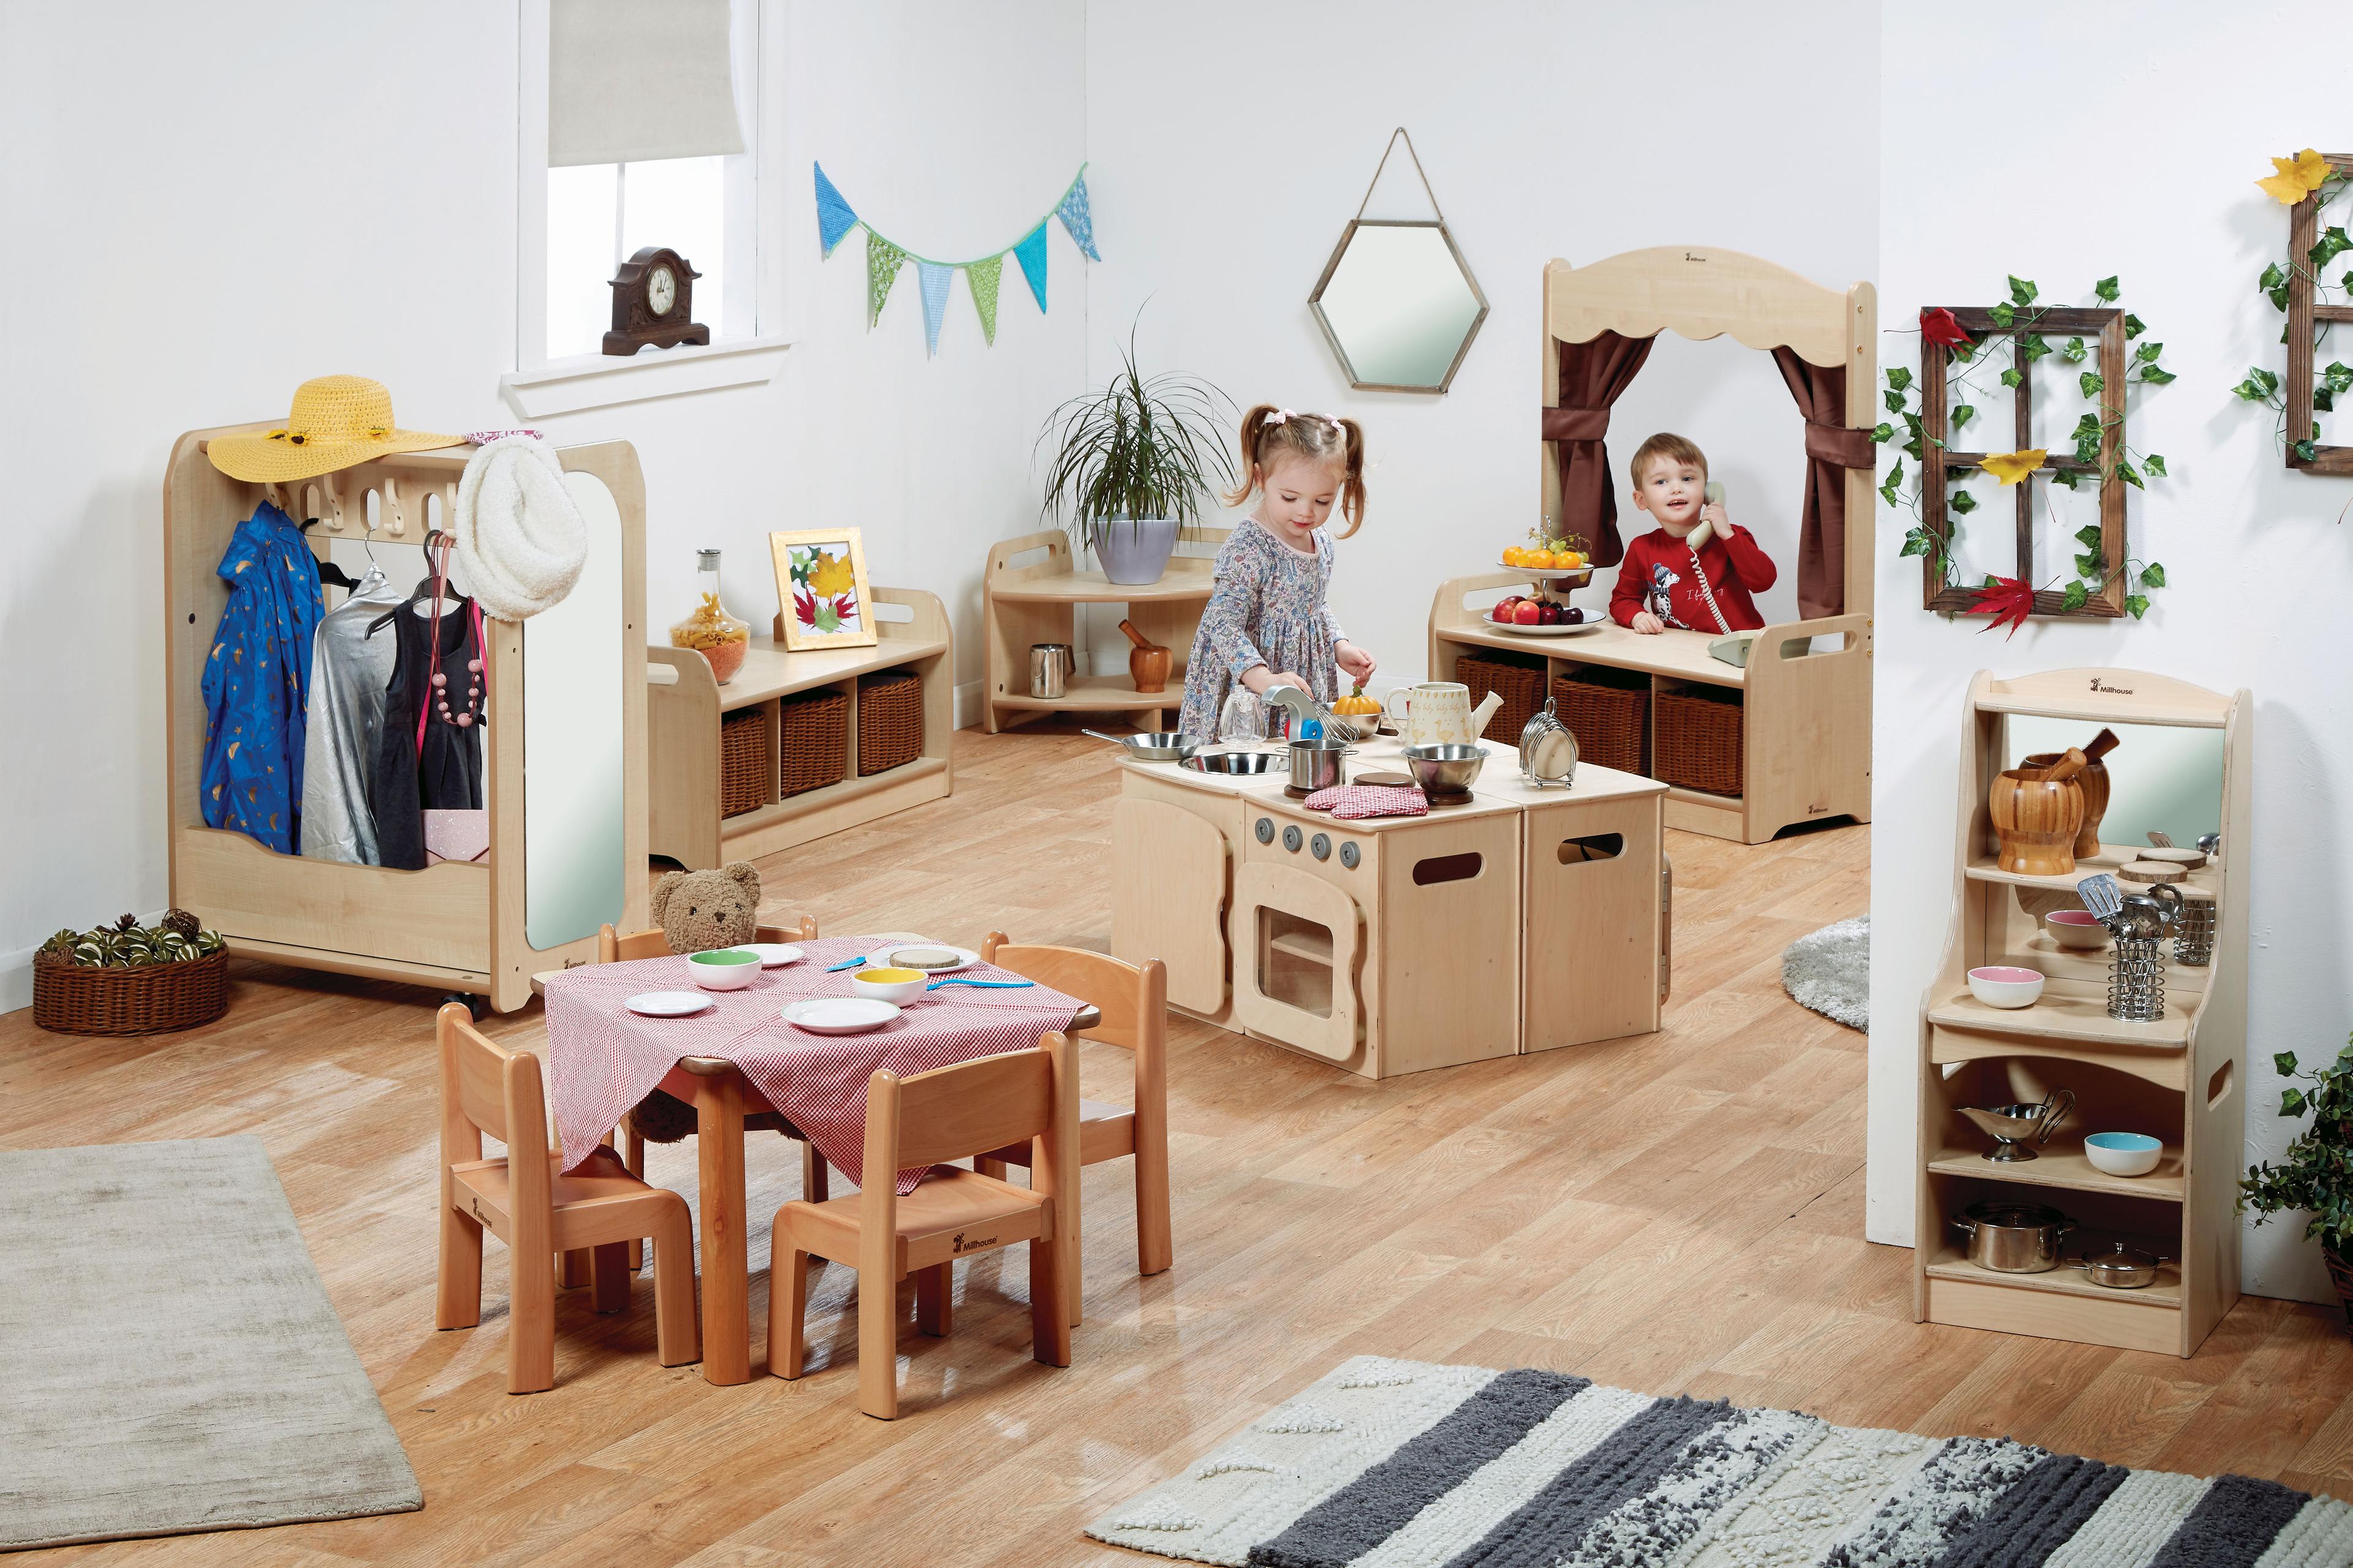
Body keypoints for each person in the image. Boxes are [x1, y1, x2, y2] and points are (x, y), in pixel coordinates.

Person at [1176, 406, 1375, 740]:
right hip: (1246, 682)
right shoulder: (1249, 545)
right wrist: (1263, 678)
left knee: (1294, 755)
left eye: (1323, 501)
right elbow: (1221, 623)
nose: (1306, 511)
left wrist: (1339, 645)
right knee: (1242, 756)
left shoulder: (1321, 542)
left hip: (1300, 673)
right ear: (1260, 479)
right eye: (1290, 497)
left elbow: (1315, 605)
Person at [1607, 433, 1776, 635]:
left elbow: (1763, 581)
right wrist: (1638, 617)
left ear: (1707, 491)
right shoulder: (1642, 548)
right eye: (1661, 482)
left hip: (1740, 651)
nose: (1676, 489)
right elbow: (1622, 600)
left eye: (1687, 479)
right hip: (1680, 654)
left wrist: (1727, 534)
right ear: (1641, 500)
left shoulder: (1732, 537)